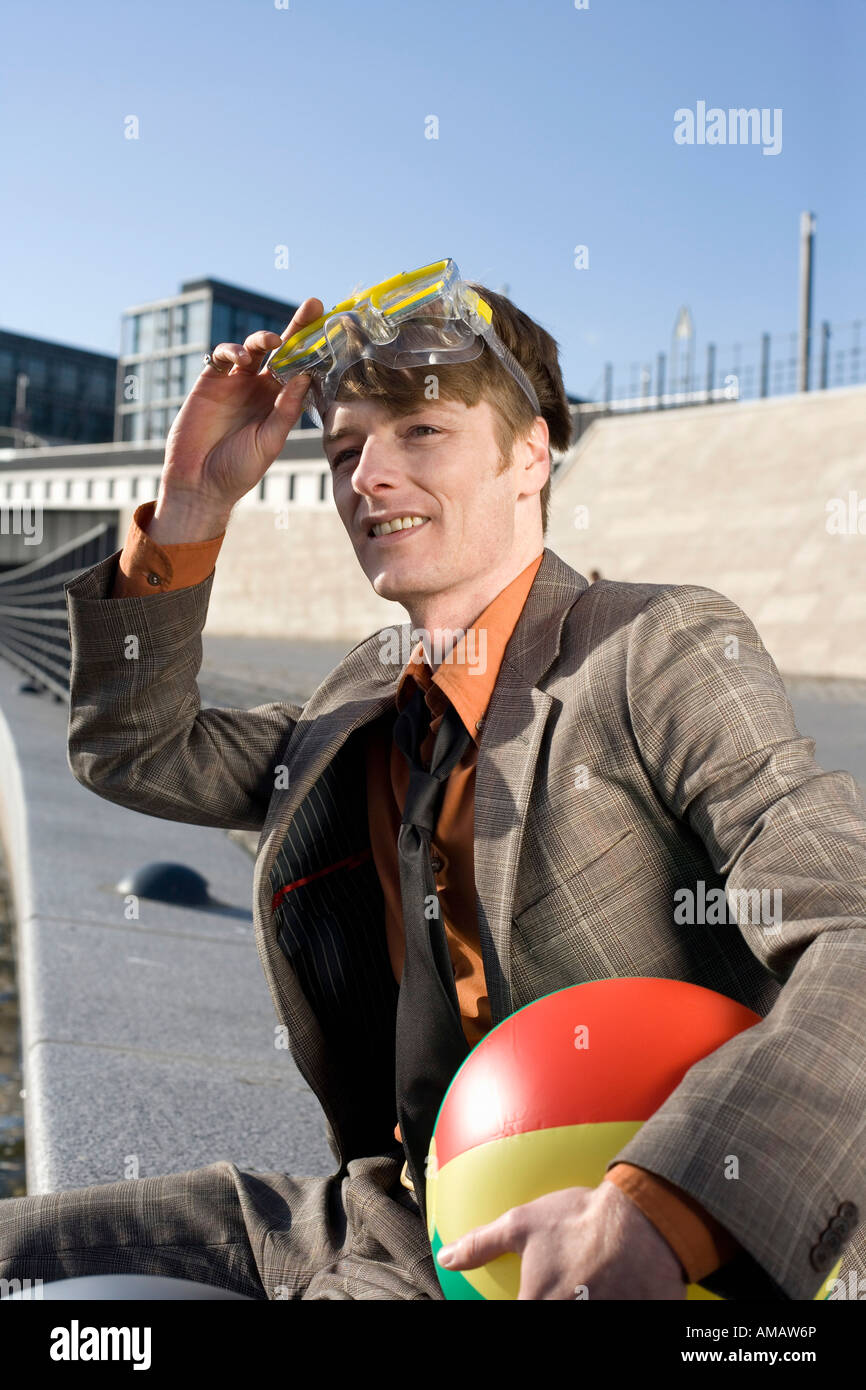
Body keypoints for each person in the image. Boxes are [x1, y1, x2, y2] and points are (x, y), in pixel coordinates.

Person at [1, 260, 863, 1301]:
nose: (368, 475)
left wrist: (657, 1210)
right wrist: (192, 504)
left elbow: (851, 931)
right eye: (346, 448)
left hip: (579, 1229)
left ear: (530, 454)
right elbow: (137, 747)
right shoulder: (367, 690)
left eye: (421, 432)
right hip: (383, 1203)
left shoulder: (654, 646)